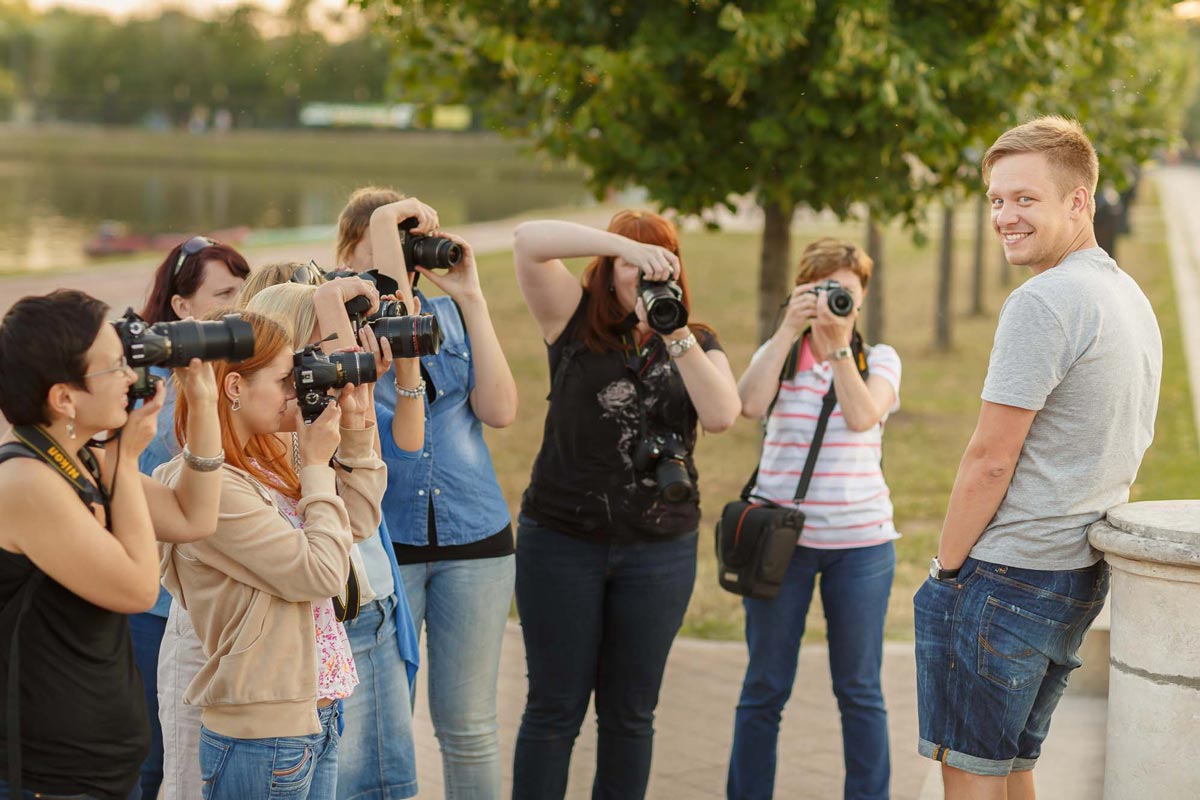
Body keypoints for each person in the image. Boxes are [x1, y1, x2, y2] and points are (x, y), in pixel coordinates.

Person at [913, 116, 1162, 800]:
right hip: (1074, 577)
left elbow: (991, 459)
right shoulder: (1126, 295)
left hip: (1007, 575)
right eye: (996, 199)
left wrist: (948, 571)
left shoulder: (1045, 301)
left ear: (1078, 201)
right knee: (1013, 768)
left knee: (969, 777)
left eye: (1025, 198)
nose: (1004, 216)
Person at [510, 210, 741, 799]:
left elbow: (720, 415)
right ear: (609, 270)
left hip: (657, 552)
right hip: (562, 540)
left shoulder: (696, 339)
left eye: (658, 262)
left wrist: (674, 333)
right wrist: (624, 244)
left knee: (631, 714)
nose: (642, 275)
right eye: (628, 265)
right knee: (554, 708)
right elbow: (528, 240)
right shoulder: (571, 319)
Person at [0, 289, 222, 800]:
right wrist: (124, 460)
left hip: (93, 766)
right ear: (64, 397)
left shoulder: (79, 459)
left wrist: (203, 400)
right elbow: (139, 589)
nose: (131, 377)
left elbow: (194, 516)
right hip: (46, 777)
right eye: (115, 367)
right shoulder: (27, 482)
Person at [337, 185, 519, 799]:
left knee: (469, 727)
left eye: (409, 244)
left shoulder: (449, 316)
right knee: (381, 726)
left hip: (477, 533)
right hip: (389, 540)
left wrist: (470, 295)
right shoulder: (341, 321)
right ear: (351, 250)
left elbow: (500, 410)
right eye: (388, 240)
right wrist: (390, 217)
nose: (403, 254)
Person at [157, 310, 384, 800]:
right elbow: (320, 573)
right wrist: (318, 467)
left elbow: (356, 527)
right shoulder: (210, 489)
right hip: (264, 730)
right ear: (234, 386)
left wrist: (358, 429)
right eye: (284, 379)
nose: (292, 391)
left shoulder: (273, 454)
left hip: (317, 710)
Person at [727, 239, 901, 800]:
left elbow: (860, 415)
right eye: (821, 290)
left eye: (844, 293)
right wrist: (786, 333)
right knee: (764, 686)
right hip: (782, 543)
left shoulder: (880, 360)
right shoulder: (779, 355)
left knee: (859, 689)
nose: (833, 303)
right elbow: (746, 406)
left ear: (863, 296)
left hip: (862, 546)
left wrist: (837, 350)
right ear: (800, 292)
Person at [247, 279, 423, 800]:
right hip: (273, 682)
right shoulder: (257, 447)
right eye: (330, 350)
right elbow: (319, 562)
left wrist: (358, 411)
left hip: (327, 659)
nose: (341, 364)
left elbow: (360, 524)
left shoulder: (310, 430)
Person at [134, 234, 249, 799]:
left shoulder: (245, 377)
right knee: (149, 762)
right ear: (182, 307)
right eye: (225, 292)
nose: (241, 303)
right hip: (155, 602)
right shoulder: (147, 389)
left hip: (222, 606)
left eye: (245, 290)